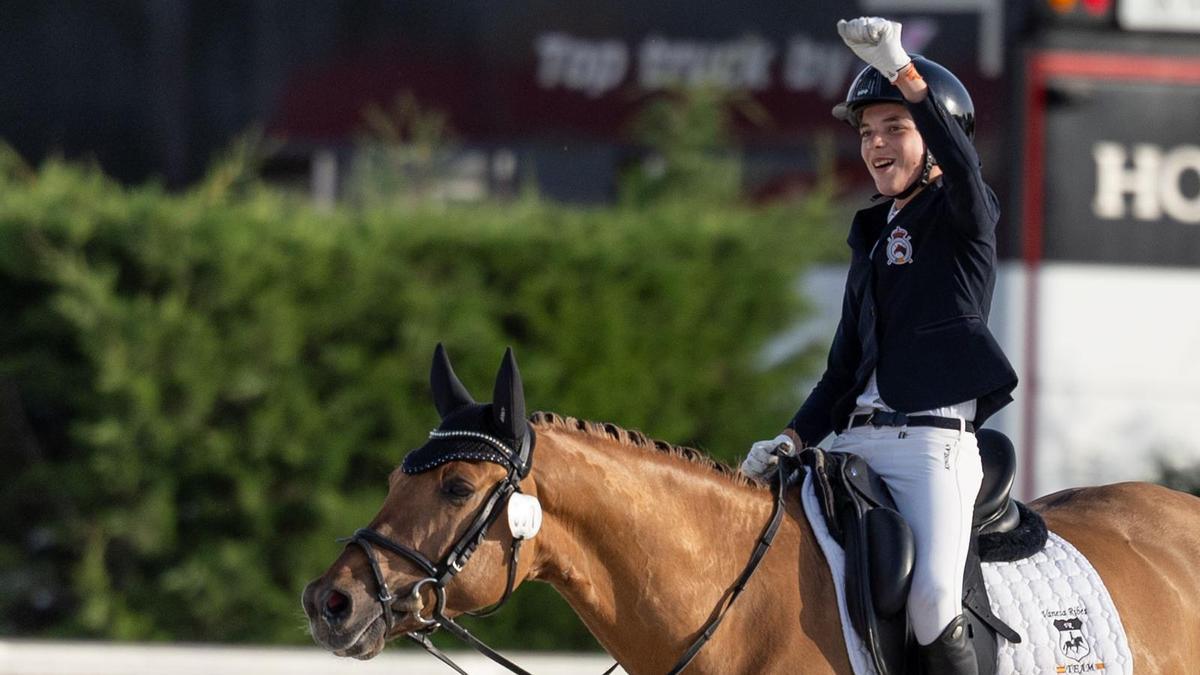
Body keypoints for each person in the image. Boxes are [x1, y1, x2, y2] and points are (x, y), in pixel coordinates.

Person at [740, 17, 1018, 675]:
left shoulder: (966, 221)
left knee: (931, 603)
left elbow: (969, 174)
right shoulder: (871, 236)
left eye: (895, 127)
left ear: (940, 145)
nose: (875, 144)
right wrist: (789, 439)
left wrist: (904, 71)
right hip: (852, 447)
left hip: (931, 447)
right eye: (867, 133)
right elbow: (842, 373)